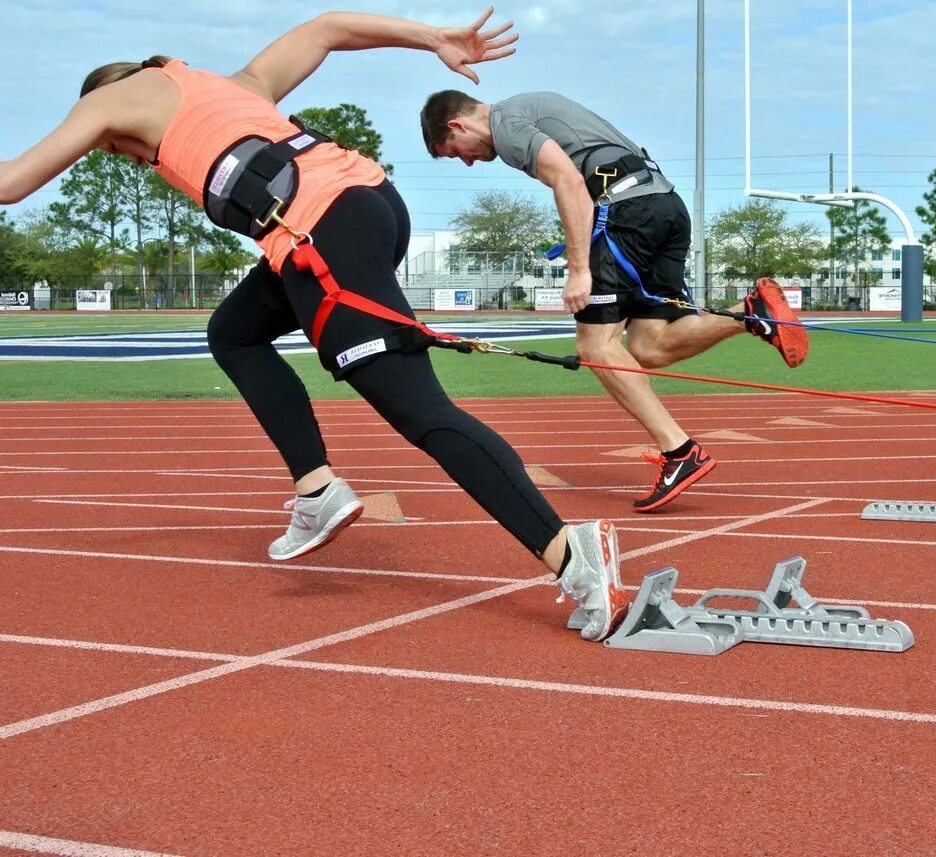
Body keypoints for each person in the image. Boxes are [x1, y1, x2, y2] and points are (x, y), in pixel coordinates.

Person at [0, 10, 628, 642]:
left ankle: (571, 554)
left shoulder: (110, 99)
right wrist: (433, 38)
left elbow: (10, 185)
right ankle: (317, 489)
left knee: (421, 412)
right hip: (368, 205)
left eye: (116, 149)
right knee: (235, 332)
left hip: (323, 227)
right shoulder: (230, 86)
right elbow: (325, 27)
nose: (135, 160)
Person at [419, 90, 810, 512]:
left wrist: (579, 268)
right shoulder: (531, 109)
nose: (468, 160)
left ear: (458, 125)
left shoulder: (506, 125)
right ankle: (749, 314)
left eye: (455, 152)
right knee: (649, 345)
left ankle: (680, 453)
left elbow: (569, 182)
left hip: (630, 214)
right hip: (665, 208)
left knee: (595, 346)